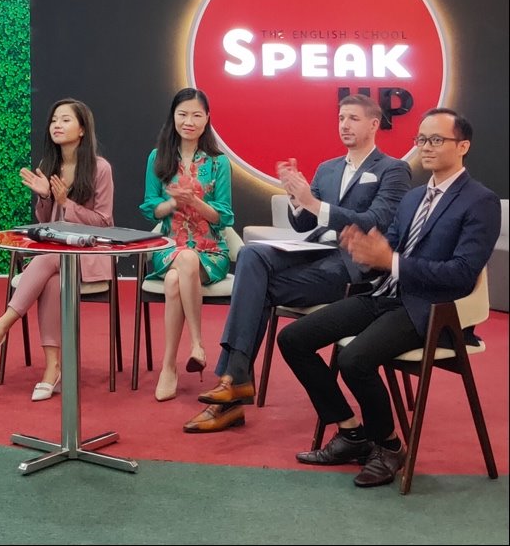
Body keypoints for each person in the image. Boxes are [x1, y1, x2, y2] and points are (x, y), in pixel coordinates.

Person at [277, 108, 501, 487]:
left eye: (436, 140)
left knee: (354, 360)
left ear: (463, 146)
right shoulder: (413, 198)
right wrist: (366, 253)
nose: (426, 147)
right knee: (293, 339)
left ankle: (389, 445)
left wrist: (391, 261)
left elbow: (462, 274)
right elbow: (389, 249)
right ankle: (351, 432)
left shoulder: (480, 201)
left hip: (431, 308)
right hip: (384, 295)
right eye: (421, 139)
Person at [183, 93, 411, 433]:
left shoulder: (393, 169)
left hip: (354, 265)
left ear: (374, 124)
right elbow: (303, 224)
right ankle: (235, 378)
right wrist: (295, 197)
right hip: (314, 251)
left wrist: (314, 203)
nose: (344, 125)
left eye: (353, 118)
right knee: (250, 254)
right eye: (341, 118)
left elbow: (376, 221)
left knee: (256, 289)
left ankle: (233, 384)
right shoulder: (328, 168)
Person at [0, 98, 114, 401]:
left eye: (65, 120)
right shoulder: (48, 167)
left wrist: (66, 203)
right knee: (51, 279)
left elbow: (104, 223)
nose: (57, 125)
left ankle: (3, 325)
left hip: (89, 255)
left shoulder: (100, 168)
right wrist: (45, 198)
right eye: (54, 120)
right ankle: (53, 369)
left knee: (50, 259)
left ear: (82, 129)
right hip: (56, 257)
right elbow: (46, 222)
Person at [139, 88, 234, 402]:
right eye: (182, 114)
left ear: (207, 119)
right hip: (169, 247)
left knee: (177, 275)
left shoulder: (219, 163)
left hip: (211, 251)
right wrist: (172, 203)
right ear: (173, 117)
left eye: (196, 115)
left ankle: (169, 366)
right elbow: (151, 208)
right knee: (183, 260)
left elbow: (223, 216)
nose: (188, 121)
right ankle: (197, 344)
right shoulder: (158, 158)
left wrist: (195, 202)